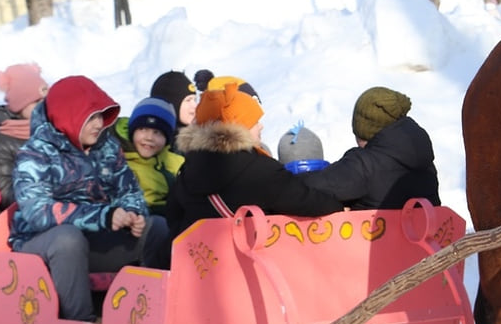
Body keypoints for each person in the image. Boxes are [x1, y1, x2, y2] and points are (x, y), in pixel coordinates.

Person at [9, 76, 152, 322]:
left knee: (155, 229)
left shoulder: (106, 147)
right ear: (69, 116)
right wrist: (104, 216)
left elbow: (128, 189)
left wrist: (133, 214)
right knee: (68, 239)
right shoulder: (36, 153)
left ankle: (149, 317)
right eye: (91, 117)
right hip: (39, 246)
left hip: (94, 240)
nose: (99, 124)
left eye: (101, 116)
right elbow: (38, 212)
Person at [167, 80, 343, 234]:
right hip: (246, 267)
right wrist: (338, 206)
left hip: (202, 264)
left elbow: (173, 217)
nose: (261, 126)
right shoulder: (258, 171)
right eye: (254, 121)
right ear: (239, 126)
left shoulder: (189, 168)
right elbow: (308, 202)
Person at [300, 86, 441, 211]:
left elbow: (304, 188)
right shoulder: (425, 163)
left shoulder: (364, 166)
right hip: (422, 239)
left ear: (363, 129)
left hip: (376, 240)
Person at [114, 96, 182, 268]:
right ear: (132, 131)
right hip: (129, 227)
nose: (149, 138)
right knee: (159, 227)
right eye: (143, 129)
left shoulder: (176, 163)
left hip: (168, 220)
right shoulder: (119, 160)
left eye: (157, 132)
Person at [0, 63, 50, 212]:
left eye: (45, 100)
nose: (43, 106)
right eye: (36, 102)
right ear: (19, 105)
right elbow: (5, 193)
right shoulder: (2, 144)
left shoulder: (56, 131)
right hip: (28, 215)